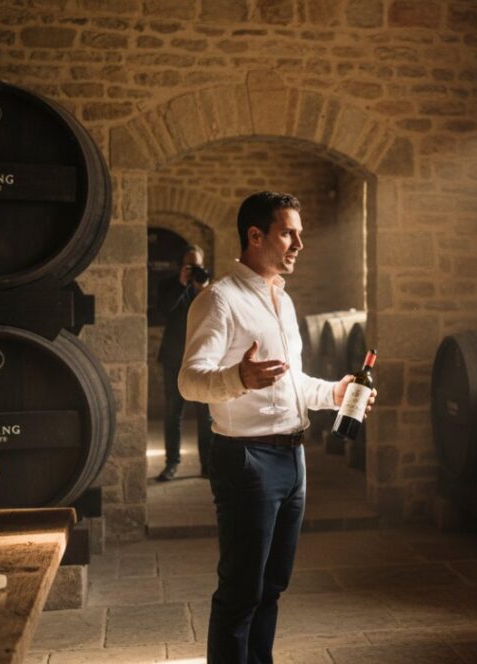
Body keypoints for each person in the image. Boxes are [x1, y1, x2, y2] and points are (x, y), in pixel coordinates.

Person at [177, 191, 376, 664]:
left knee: (272, 586)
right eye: (289, 232)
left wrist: (333, 393)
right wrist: (236, 378)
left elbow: (292, 383)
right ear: (255, 235)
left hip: (292, 458)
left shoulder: (282, 302)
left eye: (299, 233)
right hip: (247, 460)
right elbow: (188, 381)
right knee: (241, 590)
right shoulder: (219, 300)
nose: (298, 244)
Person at [156, 244, 213, 481]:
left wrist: (203, 290)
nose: (194, 270)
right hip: (173, 359)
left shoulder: (210, 287)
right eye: (189, 266)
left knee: (206, 415)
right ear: (181, 266)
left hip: (202, 359)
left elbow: (215, 316)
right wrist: (181, 285)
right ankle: (172, 464)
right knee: (172, 413)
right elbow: (160, 313)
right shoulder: (169, 285)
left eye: (197, 266)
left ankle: (207, 465)